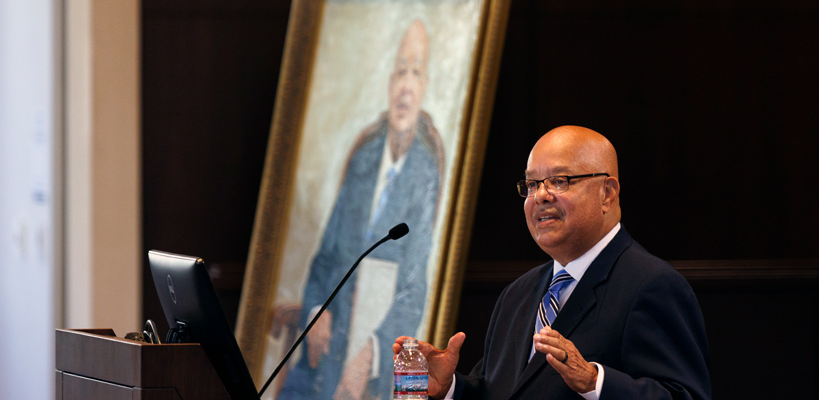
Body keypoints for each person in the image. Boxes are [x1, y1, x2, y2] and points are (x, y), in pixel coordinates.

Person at [393, 126, 711, 399]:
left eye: (559, 181)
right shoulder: (517, 294)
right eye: (531, 184)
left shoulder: (651, 285)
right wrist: (449, 388)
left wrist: (594, 382)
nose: (540, 196)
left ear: (608, 193)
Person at [275, 19, 444, 400]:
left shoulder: (424, 173)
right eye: (400, 70)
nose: (405, 84)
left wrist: (372, 351)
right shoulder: (365, 159)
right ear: (388, 83)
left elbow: (414, 290)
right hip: (324, 353)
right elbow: (325, 260)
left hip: (378, 362)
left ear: (425, 88)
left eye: (416, 73)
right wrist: (317, 309)